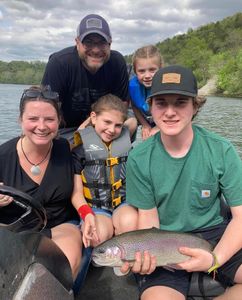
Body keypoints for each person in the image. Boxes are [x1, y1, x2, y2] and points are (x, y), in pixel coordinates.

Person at [121, 65, 242, 300]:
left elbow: (240, 217)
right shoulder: (139, 156)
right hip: (163, 239)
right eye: (161, 103)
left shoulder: (221, 150)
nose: (169, 112)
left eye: (180, 102)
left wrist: (214, 259)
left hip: (214, 236)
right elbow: (149, 220)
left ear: (195, 106)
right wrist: (147, 257)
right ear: (150, 107)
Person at [0, 85, 82, 280]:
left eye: (49, 119)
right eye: (33, 119)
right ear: (21, 120)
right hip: (12, 229)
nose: (42, 126)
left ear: (59, 121)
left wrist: (88, 216)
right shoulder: (3, 155)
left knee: (62, 267)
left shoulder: (67, 149)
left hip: (60, 226)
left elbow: (110, 124)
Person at [41, 13, 137, 140]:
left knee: (131, 123)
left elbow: (122, 106)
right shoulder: (60, 63)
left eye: (102, 42)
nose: (96, 50)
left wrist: (89, 125)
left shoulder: (117, 63)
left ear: (110, 43)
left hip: (105, 126)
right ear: (77, 42)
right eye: (88, 42)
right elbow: (46, 108)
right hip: (66, 128)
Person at [71, 94, 138, 248]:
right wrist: (86, 213)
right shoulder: (80, 151)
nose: (112, 130)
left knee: (131, 225)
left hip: (123, 204)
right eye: (107, 122)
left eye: (118, 125)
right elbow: (76, 193)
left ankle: (124, 256)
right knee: (97, 237)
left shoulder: (124, 139)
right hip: (95, 208)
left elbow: (133, 122)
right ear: (93, 117)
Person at [129, 45, 162, 140]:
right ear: (135, 72)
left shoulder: (167, 85)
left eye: (152, 70)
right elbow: (134, 106)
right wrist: (145, 125)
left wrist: (159, 127)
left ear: (160, 68)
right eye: (141, 71)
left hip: (167, 121)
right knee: (147, 138)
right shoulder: (132, 86)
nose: (147, 75)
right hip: (148, 119)